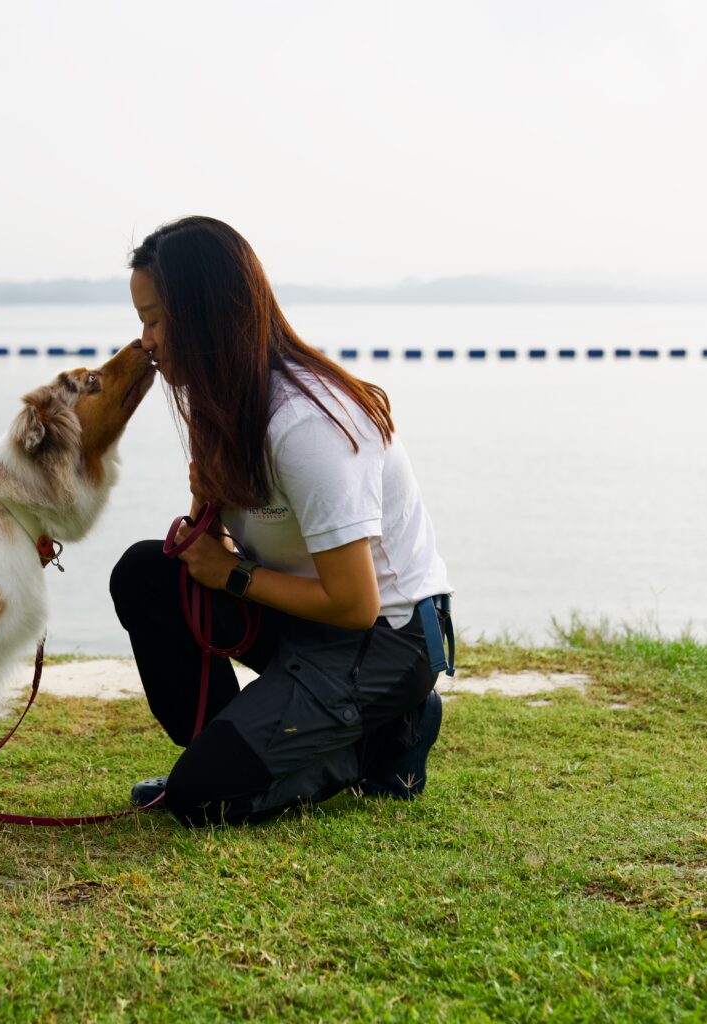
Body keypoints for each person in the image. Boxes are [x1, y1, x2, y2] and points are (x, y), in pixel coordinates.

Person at [109, 215, 454, 828]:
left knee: (204, 802)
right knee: (145, 573)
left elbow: (355, 605)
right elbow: (206, 556)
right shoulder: (221, 403)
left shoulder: (307, 425)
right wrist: (206, 530)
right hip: (303, 618)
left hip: (386, 639)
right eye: (142, 319)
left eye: (156, 318)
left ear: (205, 314)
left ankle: (389, 737)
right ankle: (219, 750)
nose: (146, 341)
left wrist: (234, 575)